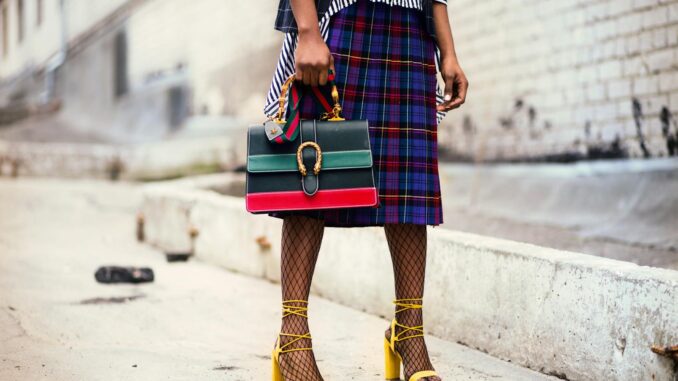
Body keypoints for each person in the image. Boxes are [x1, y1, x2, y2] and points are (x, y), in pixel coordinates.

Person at [264, 0, 468, 380]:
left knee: (408, 189)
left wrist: (449, 51)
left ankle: (409, 336)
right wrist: (307, 31)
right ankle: (292, 340)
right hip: (340, 20)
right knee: (313, 175)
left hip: (410, 31)